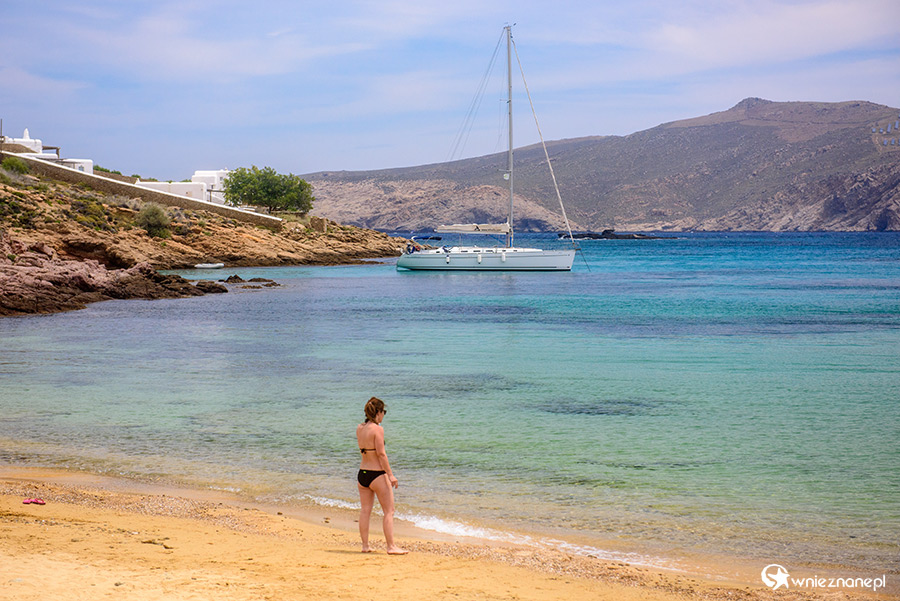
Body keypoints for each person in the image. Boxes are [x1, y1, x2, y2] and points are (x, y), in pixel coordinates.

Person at [356, 396, 408, 554]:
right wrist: (391, 475)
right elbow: (381, 454)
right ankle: (391, 546)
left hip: (362, 474)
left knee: (365, 510)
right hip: (377, 474)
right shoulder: (378, 429)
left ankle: (365, 546)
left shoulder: (359, 428)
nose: (384, 415)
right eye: (383, 411)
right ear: (377, 413)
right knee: (389, 511)